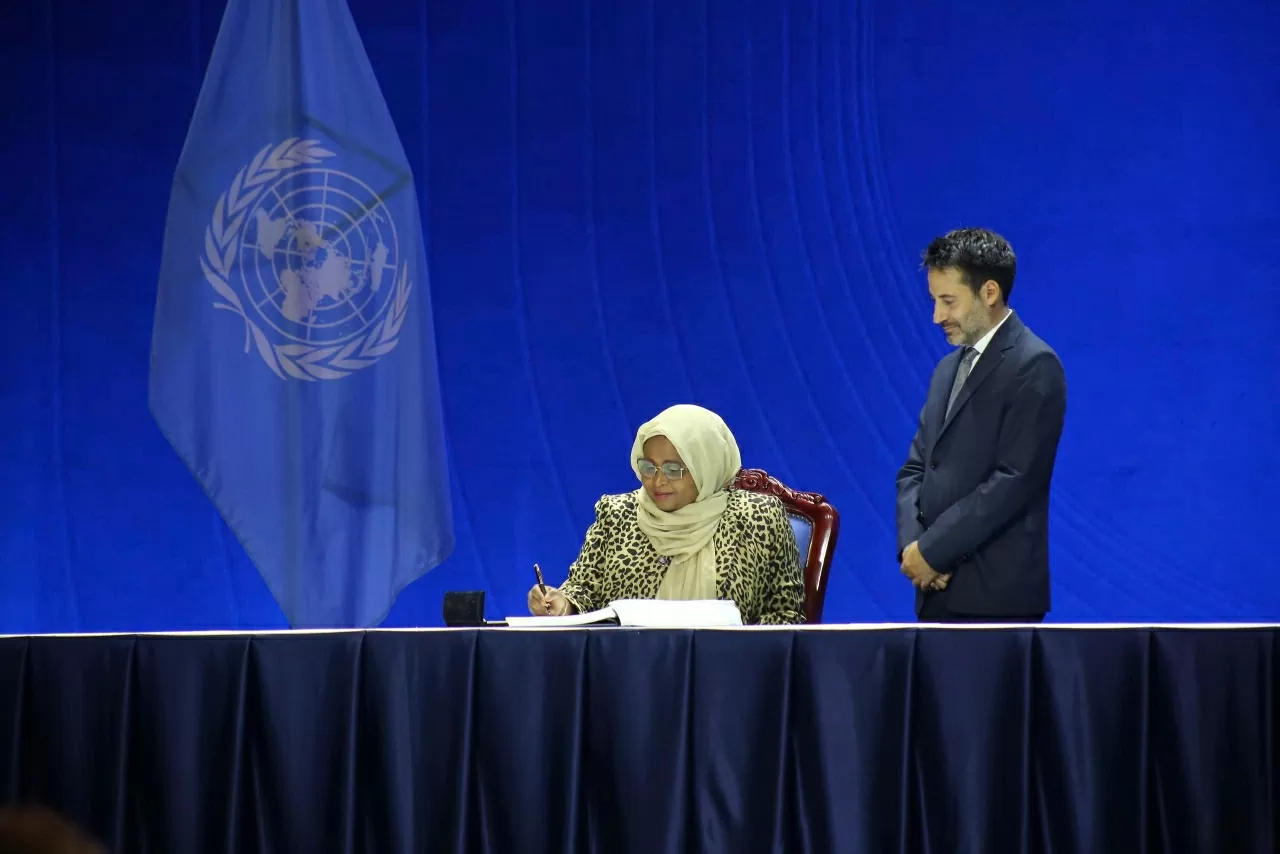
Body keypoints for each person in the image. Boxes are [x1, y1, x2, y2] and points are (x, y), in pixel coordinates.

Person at [896, 228, 1067, 622]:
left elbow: (1014, 481)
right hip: (934, 591)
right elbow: (916, 468)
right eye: (934, 301)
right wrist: (913, 550)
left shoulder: (1034, 366)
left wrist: (934, 553)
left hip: (996, 600)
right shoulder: (945, 370)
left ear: (989, 293)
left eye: (948, 301)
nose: (937, 316)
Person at [528, 404, 806, 625]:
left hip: (728, 679)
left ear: (706, 466)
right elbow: (583, 589)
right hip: (628, 676)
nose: (657, 481)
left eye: (673, 469)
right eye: (649, 467)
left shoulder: (759, 517)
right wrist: (563, 604)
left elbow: (785, 616)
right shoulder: (617, 514)